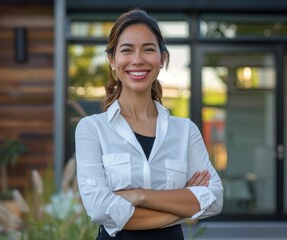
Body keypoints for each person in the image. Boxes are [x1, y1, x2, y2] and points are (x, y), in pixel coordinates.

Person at [75, 9, 223, 240]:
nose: (137, 59)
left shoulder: (185, 131)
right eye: (127, 50)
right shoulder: (92, 129)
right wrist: (183, 207)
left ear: (162, 59)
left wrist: (139, 195)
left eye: (148, 49)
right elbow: (99, 208)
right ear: (112, 60)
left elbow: (213, 198)